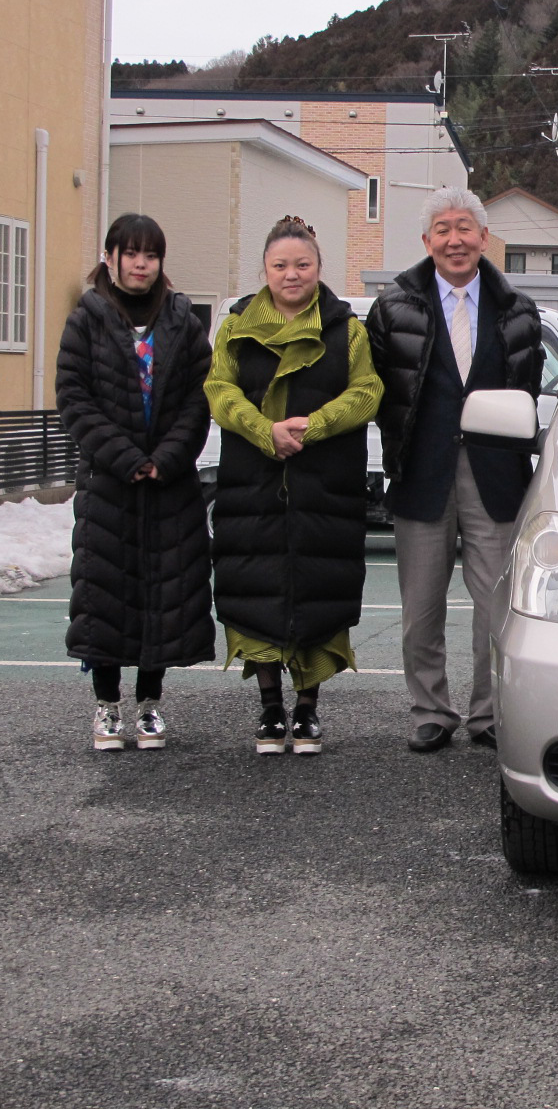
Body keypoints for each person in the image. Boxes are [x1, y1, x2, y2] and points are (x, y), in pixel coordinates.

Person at [368, 188, 543, 753]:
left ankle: (489, 715)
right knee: (421, 607)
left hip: (496, 477)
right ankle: (430, 711)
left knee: (496, 605)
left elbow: (528, 393)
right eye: (442, 229)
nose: (455, 239)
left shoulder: (517, 311)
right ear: (426, 242)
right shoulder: (395, 308)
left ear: (484, 238)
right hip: (422, 473)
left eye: (465, 228)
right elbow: (379, 393)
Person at [205, 216, 383, 755]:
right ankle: (268, 709)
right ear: (264, 270)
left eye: (302, 265)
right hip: (253, 487)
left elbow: (369, 389)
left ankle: (307, 709)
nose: (291, 274)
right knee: (256, 587)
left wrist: (316, 424)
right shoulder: (235, 327)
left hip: (323, 487)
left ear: (319, 268)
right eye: (280, 265)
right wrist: (265, 432)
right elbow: (218, 390)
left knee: (318, 590)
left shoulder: (346, 329)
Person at [56, 213, 215, 751]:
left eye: (150, 254)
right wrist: (126, 457)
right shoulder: (88, 319)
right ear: (111, 258)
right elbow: (74, 399)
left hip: (169, 484)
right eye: (130, 253)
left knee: (164, 593)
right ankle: (107, 706)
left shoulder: (182, 320)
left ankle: (150, 705)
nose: (141, 263)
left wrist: (165, 458)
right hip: (109, 484)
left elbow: (200, 398)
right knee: (106, 594)